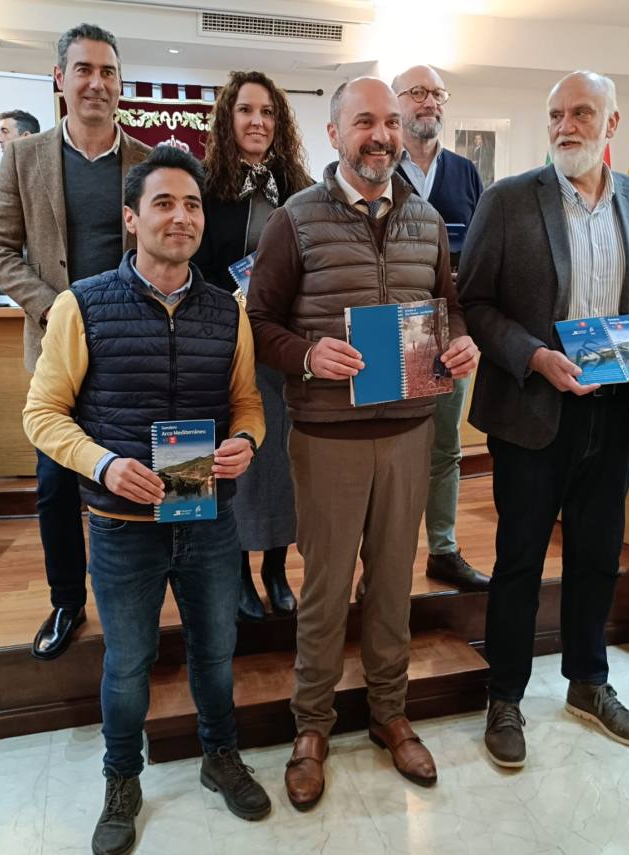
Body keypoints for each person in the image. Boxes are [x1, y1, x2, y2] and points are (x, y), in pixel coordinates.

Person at [22, 145, 270, 855]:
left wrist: (245, 442)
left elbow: (248, 405)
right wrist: (103, 464)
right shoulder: (82, 304)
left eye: (192, 204)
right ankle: (122, 778)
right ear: (132, 218)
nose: (180, 217)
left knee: (215, 653)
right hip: (121, 524)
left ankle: (219, 755)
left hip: (207, 516)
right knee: (128, 663)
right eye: (163, 203)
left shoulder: (228, 311)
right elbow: (42, 415)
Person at [247, 77, 478, 810]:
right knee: (324, 590)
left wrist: (462, 341)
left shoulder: (427, 219)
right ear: (335, 132)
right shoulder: (294, 219)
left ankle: (389, 712)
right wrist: (308, 355)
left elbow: (449, 308)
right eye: (365, 122)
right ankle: (311, 726)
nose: (381, 136)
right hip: (328, 438)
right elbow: (258, 322)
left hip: (410, 432)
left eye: (391, 123)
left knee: (391, 584)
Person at [457, 70, 629, 768]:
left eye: (581, 113)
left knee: (598, 555)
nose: (565, 126)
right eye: (555, 114)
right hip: (533, 410)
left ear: (611, 124)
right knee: (520, 560)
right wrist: (534, 356)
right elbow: (474, 303)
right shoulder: (507, 199)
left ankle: (589, 682)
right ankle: (504, 696)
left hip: (614, 412)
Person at [0, 23, 151, 661]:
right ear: (60, 79)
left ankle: (146, 593)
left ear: (120, 83)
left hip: (132, 352)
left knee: (140, 473)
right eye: (84, 70)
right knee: (55, 486)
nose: (96, 83)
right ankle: (66, 601)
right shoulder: (24, 158)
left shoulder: (147, 161)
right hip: (58, 350)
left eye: (108, 72)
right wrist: (54, 308)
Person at [194, 70, 314, 622]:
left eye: (267, 112)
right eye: (245, 110)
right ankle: (238, 570)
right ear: (228, 118)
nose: (257, 121)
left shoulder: (300, 188)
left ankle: (275, 568)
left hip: (281, 349)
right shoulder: (204, 187)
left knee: (280, 463)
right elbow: (192, 267)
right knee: (236, 458)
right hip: (224, 346)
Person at [392, 63, 488, 592]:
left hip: (448, 331)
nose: (429, 102)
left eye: (437, 94)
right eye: (417, 92)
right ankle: (385, 560)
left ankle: (444, 550)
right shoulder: (380, 166)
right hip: (394, 330)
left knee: (445, 445)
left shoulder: (465, 173)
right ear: (396, 103)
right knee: (391, 448)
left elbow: (481, 250)